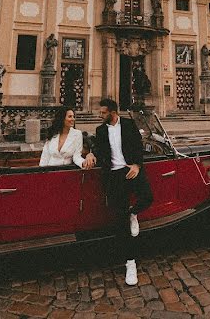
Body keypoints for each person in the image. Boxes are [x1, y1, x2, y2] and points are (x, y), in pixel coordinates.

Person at [82, 98, 153, 286]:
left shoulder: (129, 124)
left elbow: (138, 147)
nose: (100, 115)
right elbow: (94, 146)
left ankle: (134, 213)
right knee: (121, 223)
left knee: (147, 197)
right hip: (114, 176)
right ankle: (130, 263)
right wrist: (89, 153)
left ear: (113, 112)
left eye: (103, 112)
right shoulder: (100, 130)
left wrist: (137, 165)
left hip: (131, 170)